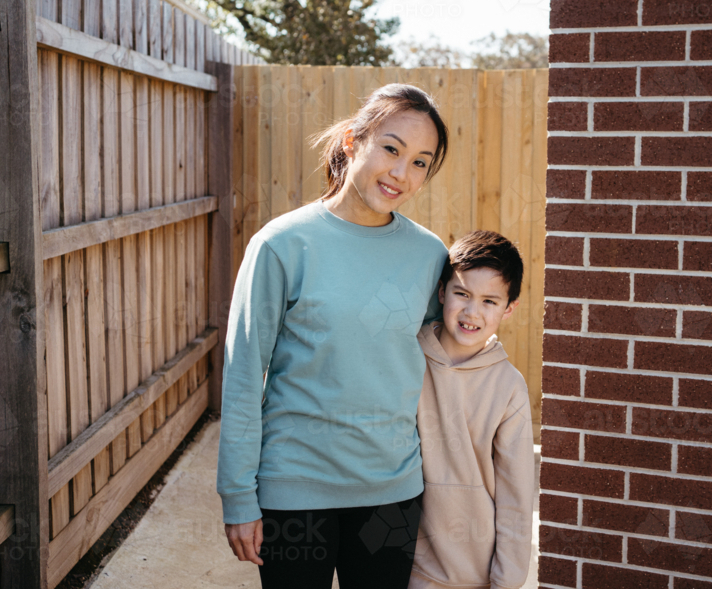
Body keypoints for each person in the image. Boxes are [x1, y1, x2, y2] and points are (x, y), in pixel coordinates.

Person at [217, 84, 451, 589]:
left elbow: (444, 359)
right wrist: (237, 494)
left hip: (392, 492)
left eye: (419, 163)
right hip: (294, 493)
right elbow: (241, 375)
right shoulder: (281, 245)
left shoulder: (429, 255)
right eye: (391, 148)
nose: (400, 173)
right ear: (352, 140)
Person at [410, 230, 534, 589]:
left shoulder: (509, 387)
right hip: (403, 566)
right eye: (462, 293)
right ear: (441, 293)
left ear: (508, 309)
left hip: (474, 576)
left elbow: (517, 497)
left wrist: (505, 582)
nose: (471, 312)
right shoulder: (407, 356)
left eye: (489, 301)